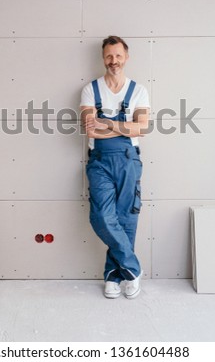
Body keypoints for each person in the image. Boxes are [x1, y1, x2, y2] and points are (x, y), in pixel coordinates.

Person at [80, 35, 150, 299]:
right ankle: (133, 269)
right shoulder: (91, 89)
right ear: (103, 58)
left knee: (126, 218)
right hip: (99, 162)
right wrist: (123, 128)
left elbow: (142, 128)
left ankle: (113, 275)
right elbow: (88, 128)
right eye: (109, 56)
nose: (114, 61)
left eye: (118, 56)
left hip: (129, 159)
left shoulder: (138, 90)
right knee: (101, 216)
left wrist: (106, 124)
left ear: (126, 57)